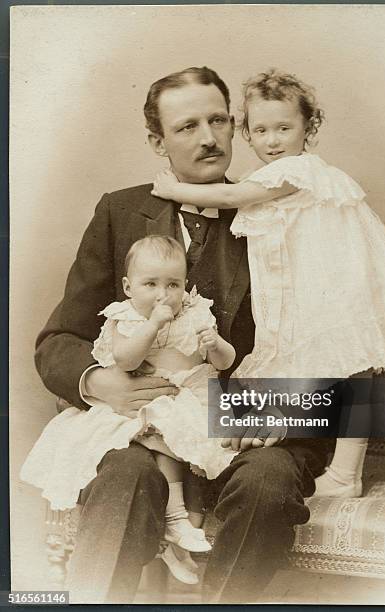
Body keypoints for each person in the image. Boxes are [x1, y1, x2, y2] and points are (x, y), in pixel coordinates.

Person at [34, 66, 325, 604]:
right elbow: (58, 341)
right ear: (157, 141)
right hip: (148, 422)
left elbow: (337, 343)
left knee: (265, 482)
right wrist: (101, 382)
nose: (210, 138)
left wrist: (282, 410)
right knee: (124, 473)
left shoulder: (289, 213)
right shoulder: (120, 211)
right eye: (187, 126)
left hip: (251, 424)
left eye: (219, 120)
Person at [152, 68, 385, 499]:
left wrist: (174, 188)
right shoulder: (282, 175)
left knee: (350, 370)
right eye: (261, 130)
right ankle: (342, 471)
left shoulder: (298, 170)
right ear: (248, 135)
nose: (273, 141)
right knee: (347, 373)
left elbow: (233, 198)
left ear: (308, 130)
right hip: (317, 286)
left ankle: (346, 473)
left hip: (332, 286)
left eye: (284, 128)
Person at [23, 234, 240, 581]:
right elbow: (125, 360)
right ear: (128, 286)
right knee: (164, 442)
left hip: (191, 397)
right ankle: (174, 520)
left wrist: (215, 345)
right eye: (150, 284)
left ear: (186, 285)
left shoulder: (197, 312)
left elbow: (226, 361)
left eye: (173, 284)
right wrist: (154, 323)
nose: (162, 294)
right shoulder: (125, 318)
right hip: (146, 400)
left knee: (201, 456)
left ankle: (177, 542)